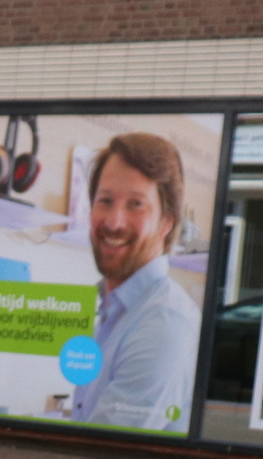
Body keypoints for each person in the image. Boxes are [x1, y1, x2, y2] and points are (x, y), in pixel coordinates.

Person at [70, 132, 199, 433]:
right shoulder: (113, 309)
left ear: (167, 222)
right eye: (105, 201)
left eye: (136, 204)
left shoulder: (164, 324)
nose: (114, 222)